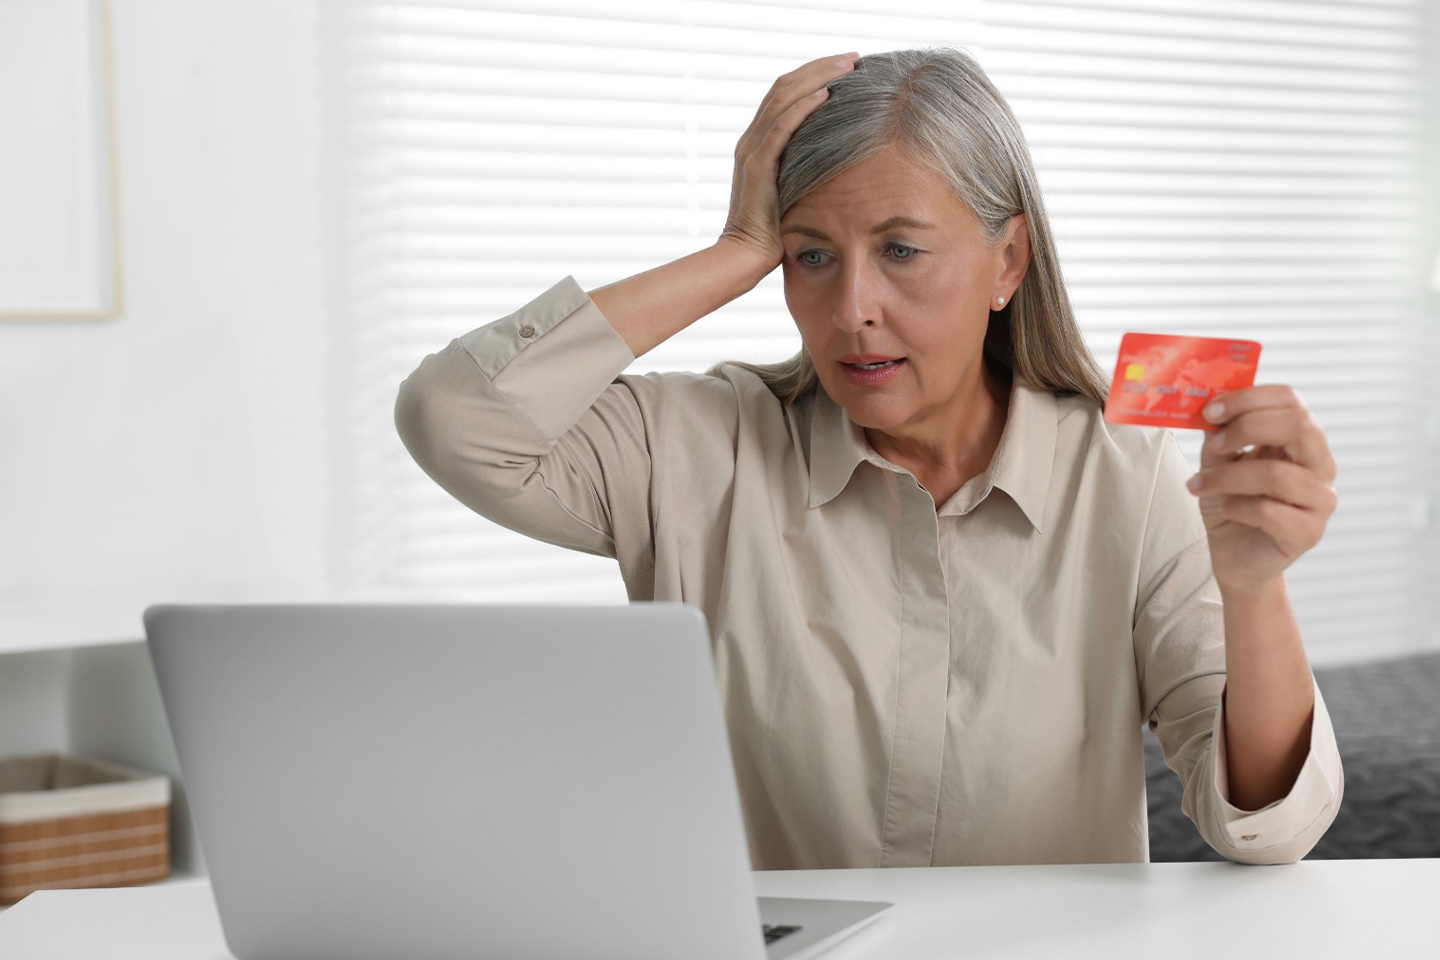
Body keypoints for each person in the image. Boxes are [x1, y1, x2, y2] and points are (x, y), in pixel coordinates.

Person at [394, 47, 1343, 869]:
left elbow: (1264, 826)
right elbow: (454, 419)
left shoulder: (1123, 477)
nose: (851, 310)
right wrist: (737, 249)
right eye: (811, 257)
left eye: (900, 250)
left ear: (1009, 261)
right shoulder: (694, 447)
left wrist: (1254, 587)